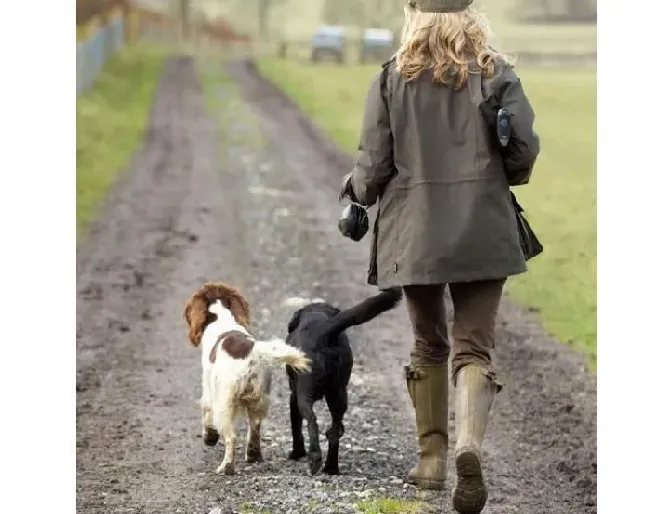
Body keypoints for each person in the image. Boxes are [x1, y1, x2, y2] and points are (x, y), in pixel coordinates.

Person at [339, 1, 540, 513]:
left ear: (416, 18)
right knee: (473, 348)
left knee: (428, 343)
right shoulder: (497, 74)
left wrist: (357, 194)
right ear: (469, 17)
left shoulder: (391, 79)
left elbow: (373, 163)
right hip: (483, 230)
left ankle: (431, 462)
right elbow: (521, 155)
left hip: (416, 233)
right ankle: (469, 446)